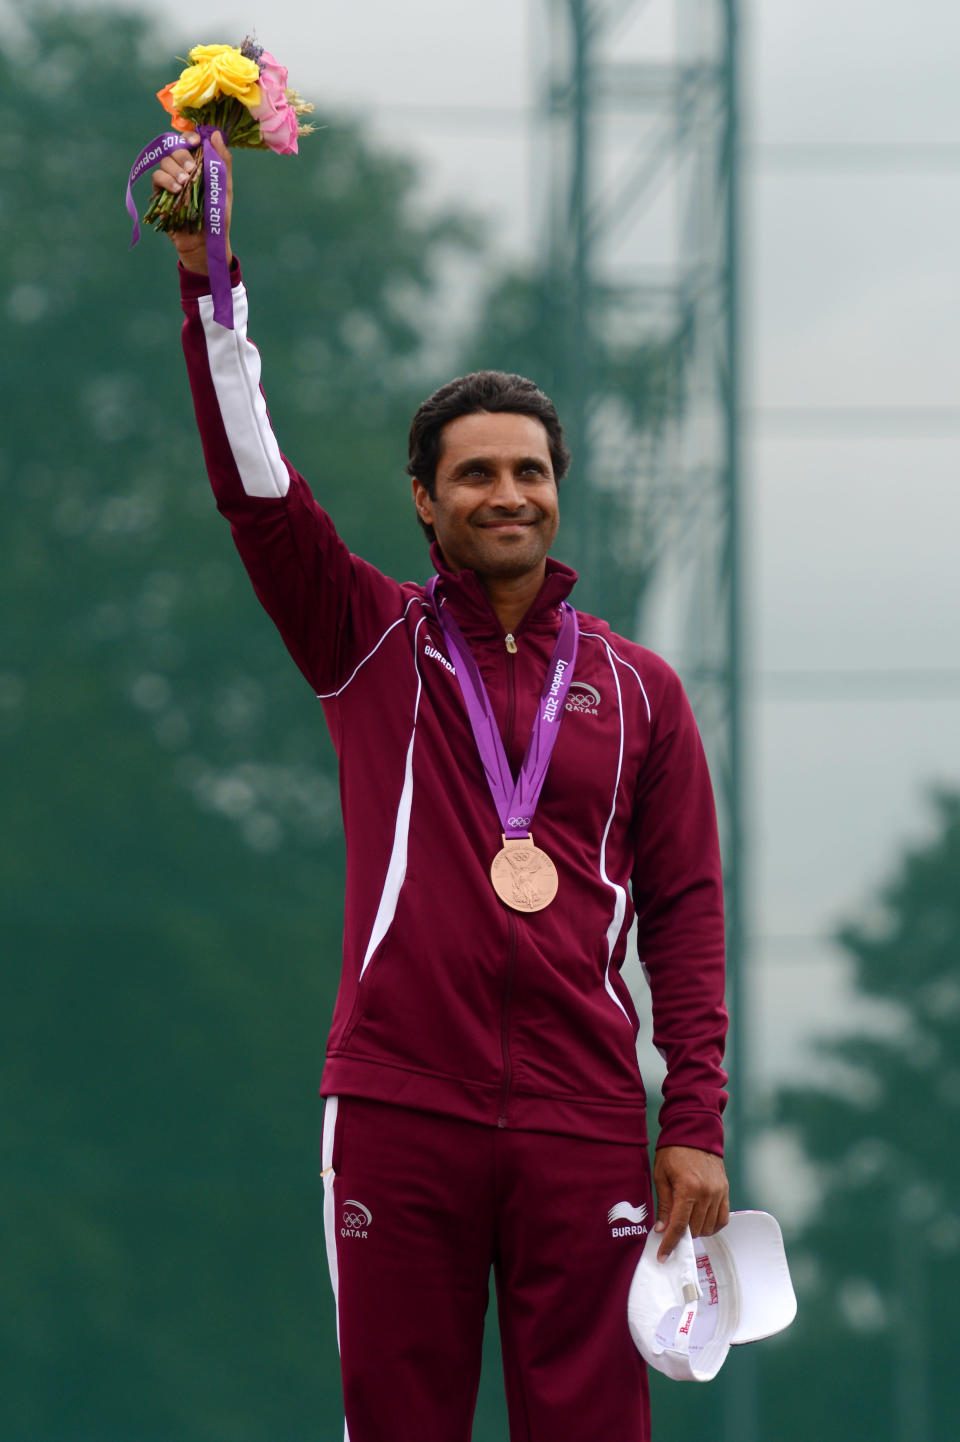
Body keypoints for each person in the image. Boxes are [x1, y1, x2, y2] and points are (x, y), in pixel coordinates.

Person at [152, 132, 730, 1442]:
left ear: (558, 493)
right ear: (427, 500)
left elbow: (688, 915)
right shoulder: (366, 637)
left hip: (587, 1115)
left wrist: (688, 1118)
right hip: (402, 1102)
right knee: (400, 1422)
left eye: (530, 470)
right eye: (477, 472)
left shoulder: (641, 692)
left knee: (591, 1425)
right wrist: (206, 283)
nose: (508, 493)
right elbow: (257, 495)